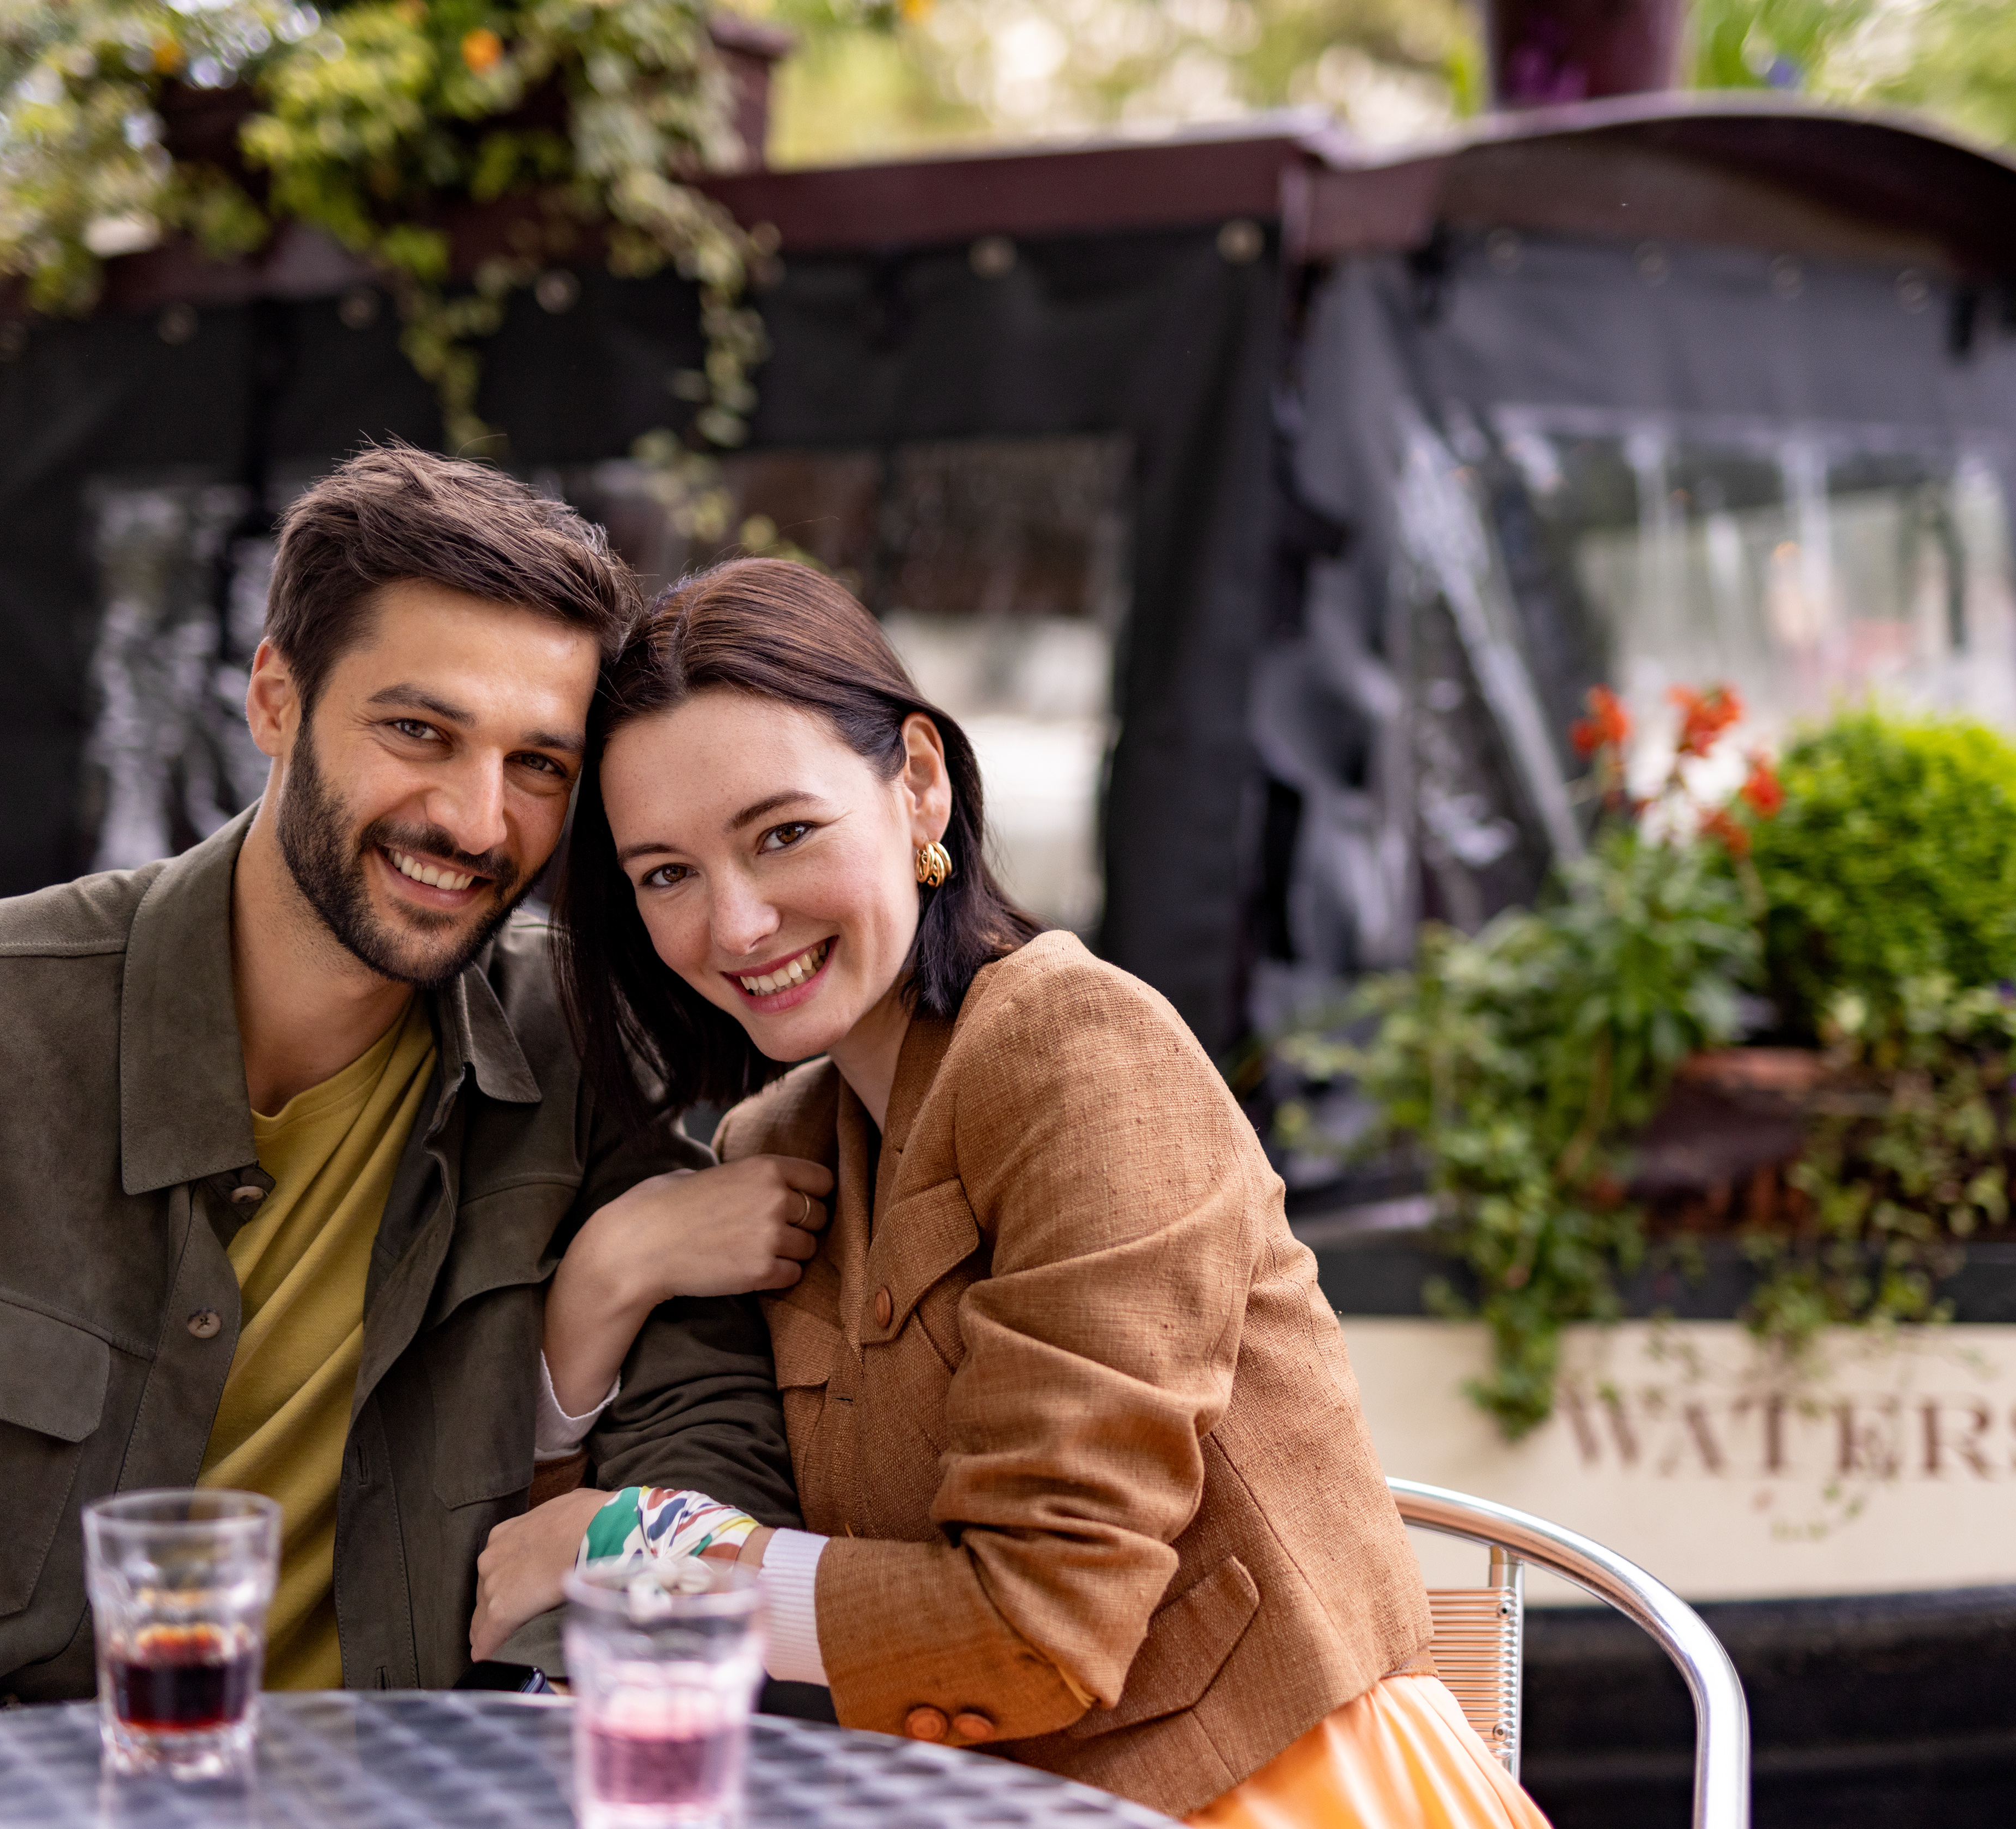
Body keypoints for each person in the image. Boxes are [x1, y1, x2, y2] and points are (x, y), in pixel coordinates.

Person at [0, 447, 812, 1741]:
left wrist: (600, 1575)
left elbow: (706, 1461)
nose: (475, 820)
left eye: (538, 765)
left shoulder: (584, 1054)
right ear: (275, 700)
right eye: (420, 730)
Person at [474, 558, 1549, 1828]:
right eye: (667, 874)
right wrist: (614, 1270)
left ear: (918, 783)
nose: (740, 923)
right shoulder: (788, 1137)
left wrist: (636, 1550)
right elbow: (583, 1588)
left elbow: (1042, 1624)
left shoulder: (1078, 1048)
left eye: (784, 833)